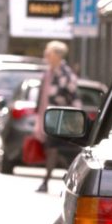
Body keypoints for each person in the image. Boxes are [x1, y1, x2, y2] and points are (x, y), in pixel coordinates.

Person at [33, 41, 80, 194]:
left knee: (58, 150)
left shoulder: (66, 74)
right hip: (51, 118)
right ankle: (64, 183)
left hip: (63, 119)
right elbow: (42, 98)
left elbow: (72, 97)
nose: (46, 56)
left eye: (49, 53)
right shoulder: (48, 73)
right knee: (55, 150)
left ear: (57, 55)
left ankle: (50, 182)